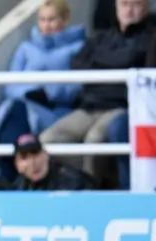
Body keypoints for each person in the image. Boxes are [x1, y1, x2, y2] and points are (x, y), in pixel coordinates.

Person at [39, 0, 154, 183]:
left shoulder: (151, 37)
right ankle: (82, 179)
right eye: (124, 4)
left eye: (135, 5)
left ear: (147, 7)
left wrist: (101, 63)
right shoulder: (101, 36)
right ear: (115, 6)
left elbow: (138, 65)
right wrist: (119, 64)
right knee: (47, 140)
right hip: (89, 106)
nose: (129, 10)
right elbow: (77, 66)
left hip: (122, 107)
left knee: (94, 141)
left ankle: (92, 191)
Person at [0, 0, 85, 180]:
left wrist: (49, 93)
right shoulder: (25, 48)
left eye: (52, 19)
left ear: (64, 20)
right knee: (13, 113)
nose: (46, 25)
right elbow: (10, 85)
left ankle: (11, 178)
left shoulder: (78, 47)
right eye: (42, 19)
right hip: (23, 106)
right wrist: (31, 93)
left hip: (56, 112)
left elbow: (78, 84)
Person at [12, 133, 96, 190]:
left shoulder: (74, 182)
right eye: (25, 158)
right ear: (17, 165)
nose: (33, 163)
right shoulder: (17, 189)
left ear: (46, 155)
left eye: (35, 153)